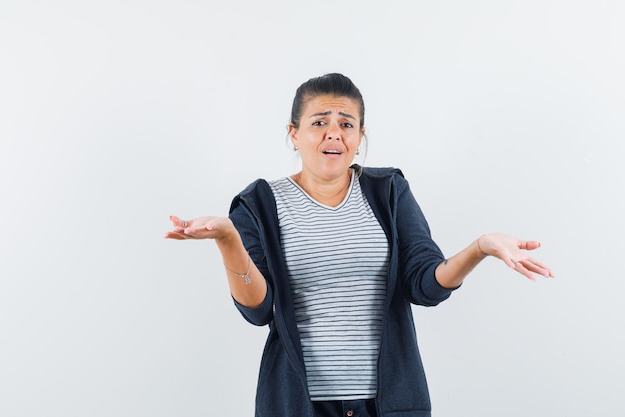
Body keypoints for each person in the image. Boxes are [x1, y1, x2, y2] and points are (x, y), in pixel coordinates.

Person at [165, 73, 554, 417]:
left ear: (359, 137)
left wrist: (480, 247)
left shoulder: (389, 191)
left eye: (346, 124)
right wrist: (227, 239)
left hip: (388, 404)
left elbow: (426, 286)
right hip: (297, 405)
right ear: (294, 133)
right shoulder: (259, 204)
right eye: (320, 122)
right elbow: (259, 310)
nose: (334, 133)